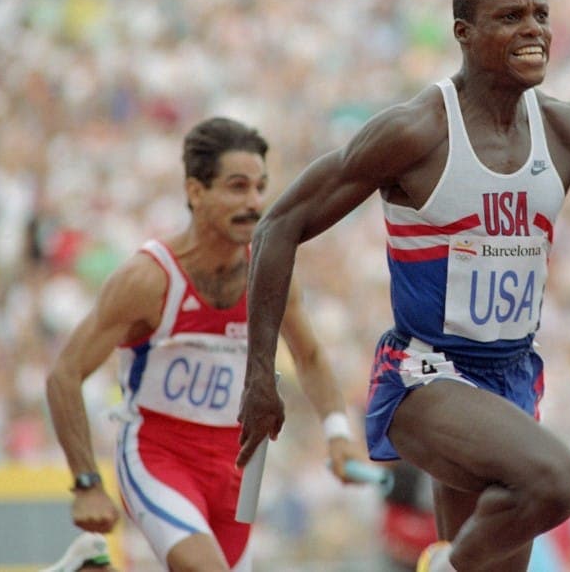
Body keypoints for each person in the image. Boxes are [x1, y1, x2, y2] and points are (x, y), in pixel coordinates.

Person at [237, 0, 570, 572]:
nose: (534, 29)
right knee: (556, 483)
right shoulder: (417, 131)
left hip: (512, 378)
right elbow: (278, 226)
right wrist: (261, 372)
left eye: (542, 15)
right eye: (511, 17)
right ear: (464, 33)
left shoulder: (567, 131)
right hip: (426, 376)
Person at [45, 117, 365, 572]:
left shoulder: (270, 273)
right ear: (196, 192)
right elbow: (65, 375)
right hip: (160, 453)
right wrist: (86, 482)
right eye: (237, 188)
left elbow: (310, 355)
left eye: (260, 188)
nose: (254, 202)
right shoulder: (148, 278)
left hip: (242, 468)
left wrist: (337, 434)